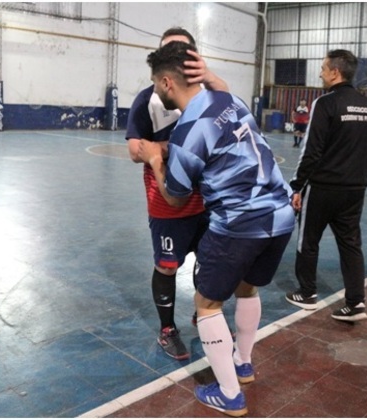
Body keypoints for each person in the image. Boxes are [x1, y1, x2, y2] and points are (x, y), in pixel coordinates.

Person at [139, 41, 295, 417]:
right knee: (247, 287)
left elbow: (175, 197)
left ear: (165, 82)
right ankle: (243, 363)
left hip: (239, 224)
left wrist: (154, 159)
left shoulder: (188, 132)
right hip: (282, 215)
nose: (157, 94)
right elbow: (220, 90)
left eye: (156, 86)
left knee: (206, 305)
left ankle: (229, 393)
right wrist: (210, 76)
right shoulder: (231, 101)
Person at [125, 28, 228, 361]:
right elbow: (135, 149)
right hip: (167, 200)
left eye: (183, 49)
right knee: (168, 266)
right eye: (169, 49)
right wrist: (168, 152)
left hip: (208, 197)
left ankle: (205, 312)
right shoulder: (148, 99)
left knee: (209, 258)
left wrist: (173, 147)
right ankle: (167, 329)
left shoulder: (209, 92)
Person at [284, 49, 367, 322]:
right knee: (351, 244)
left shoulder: (325, 104)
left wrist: (297, 186)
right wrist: (361, 182)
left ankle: (307, 293)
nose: (320, 73)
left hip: (323, 188)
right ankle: (356, 302)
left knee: (308, 240)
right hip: (354, 190)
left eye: (324, 68)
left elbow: (311, 150)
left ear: (336, 72)